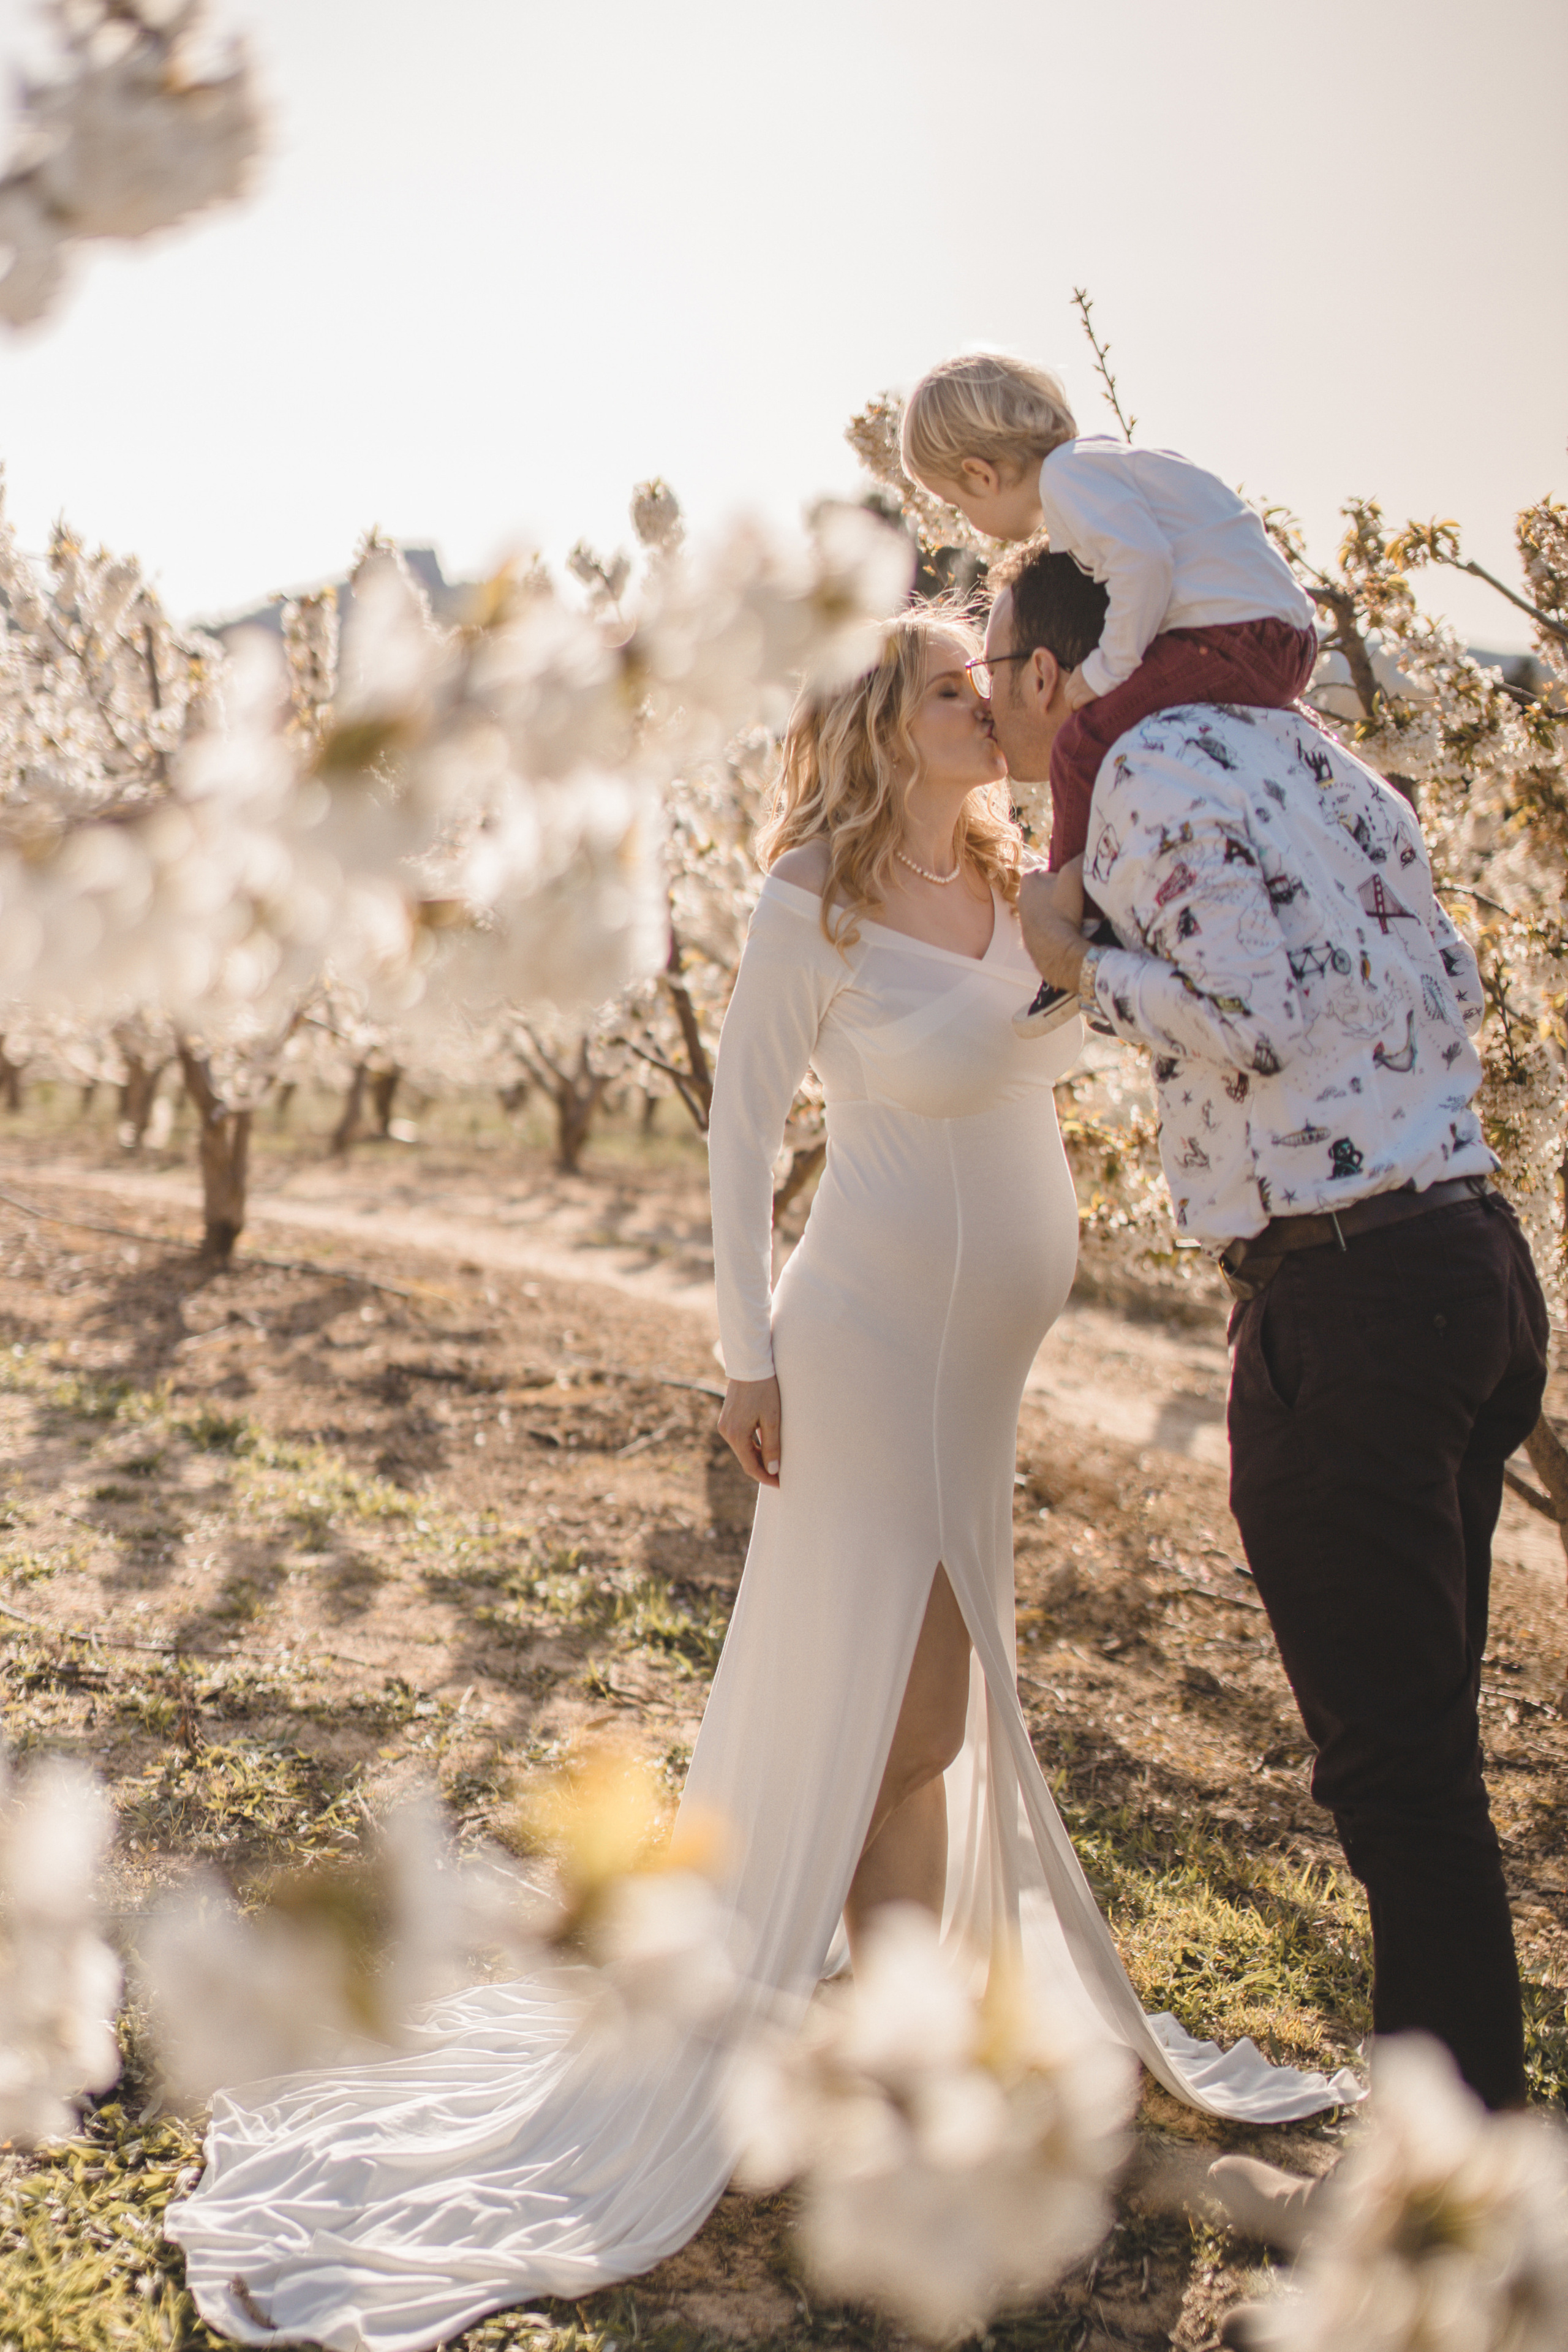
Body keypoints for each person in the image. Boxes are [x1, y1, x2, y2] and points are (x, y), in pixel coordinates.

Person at [167, 608, 1355, 2352]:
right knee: (904, 1708)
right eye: (958, 689)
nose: (997, 705)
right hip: (869, 1341)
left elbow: (1096, 1031)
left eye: (987, 684)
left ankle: (895, 2043)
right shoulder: (817, 897)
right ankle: (891, 2056)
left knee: (932, 1701)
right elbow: (736, 1138)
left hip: (981, 1372)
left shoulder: (1024, 868)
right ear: (883, 720)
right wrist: (746, 1353)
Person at [985, 541, 1550, 2115]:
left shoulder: (1148, 774)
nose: (998, 713)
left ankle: (1452, 2203)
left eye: (989, 673)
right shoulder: (1308, 752)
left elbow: (1253, 1016)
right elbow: (1430, 977)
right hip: (1469, 1266)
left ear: (1046, 674)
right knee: (1422, 1763)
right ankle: (1456, 2140)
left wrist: (1073, 965)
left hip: (1351, 1299)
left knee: (1397, 1781)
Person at [902, 350, 1318, 1034]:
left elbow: (1143, 565)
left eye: (959, 503)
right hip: (1279, 633)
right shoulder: (1108, 466)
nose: (968, 522)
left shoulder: (1071, 481)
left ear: (981, 473)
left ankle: (1073, 924)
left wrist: (1101, 672)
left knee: (1082, 742)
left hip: (1237, 635)